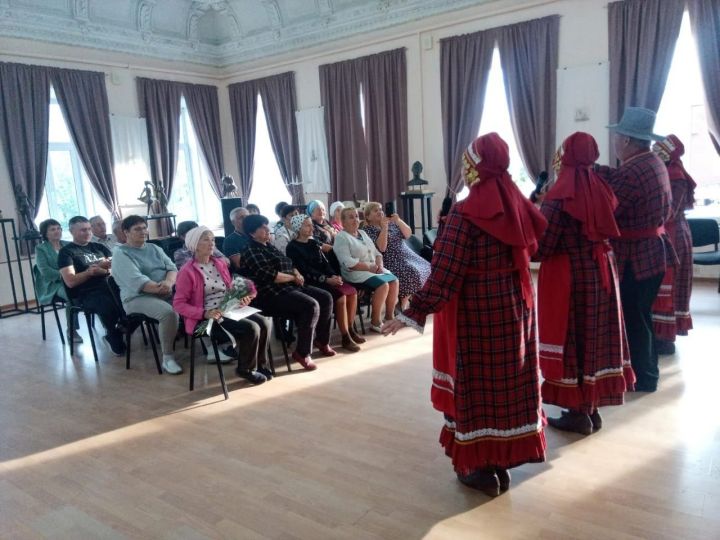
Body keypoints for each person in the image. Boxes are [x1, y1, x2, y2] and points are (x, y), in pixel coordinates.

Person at [383, 133, 548, 497]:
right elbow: (535, 247)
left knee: (474, 385)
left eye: (468, 163)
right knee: (505, 383)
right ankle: (499, 460)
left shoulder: (465, 212)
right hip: (516, 305)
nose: (465, 168)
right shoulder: (519, 203)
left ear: (476, 167)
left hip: (476, 310)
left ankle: (477, 464)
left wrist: (413, 311)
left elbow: (445, 271)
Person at [534, 132, 634, 435]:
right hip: (602, 272)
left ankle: (578, 413)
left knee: (574, 340)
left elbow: (542, 247)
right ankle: (591, 407)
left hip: (571, 280)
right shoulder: (601, 187)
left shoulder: (559, 198)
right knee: (595, 338)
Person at [595, 107, 673, 392]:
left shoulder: (633, 170)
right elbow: (618, 180)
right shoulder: (651, 162)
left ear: (627, 140)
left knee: (634, 318)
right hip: (652, 253)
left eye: (617, 136)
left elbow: (609, 212)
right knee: (641, 317)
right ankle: (647, 373)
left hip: (637, 257)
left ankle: (644, 378)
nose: (614, 141)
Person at [173, 226, 273, 385]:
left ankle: (260, 365)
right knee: (251, 328)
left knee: (265, 322)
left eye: (212, 239)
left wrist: (242, 298)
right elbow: (178, 304)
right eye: (206, 239)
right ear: (194, 244)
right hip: (206, 318)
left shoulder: (219, 263)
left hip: (228, 308)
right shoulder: (187, 271)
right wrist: (204, 313)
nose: (211, 243)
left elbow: (230, 287)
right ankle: (245, 369)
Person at [240, 214, 336, 370]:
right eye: (262, 227)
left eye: (266, 225)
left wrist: (296, 273)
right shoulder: (250, 250)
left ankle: (322, 341)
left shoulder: (268, 245)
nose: (267, 229)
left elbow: (288, 263)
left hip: (288, 286)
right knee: (310, 305)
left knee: (326, 297)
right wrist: (293, 277)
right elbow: (271, 276)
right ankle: (302, 352)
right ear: (252, 233)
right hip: (269, 293)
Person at [111, 215, 182, 375]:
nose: (143, 232)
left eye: (144, 228)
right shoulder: (121, 253)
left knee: (199, 300)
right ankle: (168, 358)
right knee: (168, 313)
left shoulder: (154, 248)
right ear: (126, 232)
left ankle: (213, 346)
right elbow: (136, 280)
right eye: (137, 229)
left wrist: (168, 283)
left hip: (165, 289)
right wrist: (161, 288)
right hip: (137, 297)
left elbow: (172, 268)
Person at [286, 214, 363, 352]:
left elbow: (325, 263)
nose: (312, 228)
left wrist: (334, 275)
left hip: (326, 278)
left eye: (311, 224)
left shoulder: (314, 242)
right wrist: (326, 279)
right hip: (310, 281)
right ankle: (345, 337)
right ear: (298, 228)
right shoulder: (292, 247)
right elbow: (304, 270)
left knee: (352, 292)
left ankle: (350, 329)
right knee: (340, 297)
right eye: (307, 225)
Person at [650, 134, 695, 354]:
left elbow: (670, 211)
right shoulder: (666, 172)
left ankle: (665, 336)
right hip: (668, 233)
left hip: (673, 235)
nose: (655, 149)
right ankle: (660, 334)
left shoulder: (675, 176)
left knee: (670, 286)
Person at [58, 216, 126, 356]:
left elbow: (117, 268)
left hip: (110, 285)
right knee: (108, 303)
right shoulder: (66, 253)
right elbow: (70, 281)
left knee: (132, 299)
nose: (88, 232)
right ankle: (113, 332)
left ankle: (121, 328)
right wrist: (90, 272)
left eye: (89, 229)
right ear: (72, 232)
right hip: (86, 293)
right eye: (83, 230)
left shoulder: (99, 247)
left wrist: (105, 271)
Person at [333, 207, 399, 333]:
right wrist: (370, 267)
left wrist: (379, 263)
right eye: (351, 217)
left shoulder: (362, 233)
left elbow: (376, 252)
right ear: (343, 221)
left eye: (356, 216)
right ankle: (375, 322)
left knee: (394, 281)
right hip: (355, 273)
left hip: (373, 269)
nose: (355, 219)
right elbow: (348, 262)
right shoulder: (341, 237)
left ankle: (389, 316)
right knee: (383, 285)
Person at [362, 201, 430, 310]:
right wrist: (384, 228)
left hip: (406, 254)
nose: (380, 212)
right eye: (376, 210)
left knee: (428, 267)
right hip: (389, 259)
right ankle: (402, 303)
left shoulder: (391, 223)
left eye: (380, 209)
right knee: (412, 272)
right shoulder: (367, 230)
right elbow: (381, 248)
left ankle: (409, 299)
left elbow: (408, 235)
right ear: (368, 217)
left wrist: (398, 221)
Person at [34, 218, 82, 343]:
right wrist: (66, 275)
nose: (57, 231)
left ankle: (109, 327)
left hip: (73, 280)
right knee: (72, 295)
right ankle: (71, 330)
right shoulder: (41, 249)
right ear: (45, 233)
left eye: (59, 228)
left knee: (95, 289)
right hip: (54, 284)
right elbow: (45, 271)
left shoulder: (68, 245)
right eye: (52, 229)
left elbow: (78, 263)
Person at [222, 207, 251, 271]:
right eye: (241, 217)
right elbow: (239, 265)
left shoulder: (254, 235)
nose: (245, 219)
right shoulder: (230, 241)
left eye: (247, 217)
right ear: (233, 222)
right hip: (247, 276)